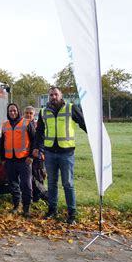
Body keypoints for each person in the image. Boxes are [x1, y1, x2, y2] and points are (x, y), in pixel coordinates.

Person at [33, 87, 86, 224]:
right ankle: (52, 210)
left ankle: (72, 213)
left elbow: (83, 123)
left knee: (68, 183)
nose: (53, 97)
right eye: (51, 95)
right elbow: (39, 132)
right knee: (51, 183)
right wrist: (37, 148)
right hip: (50, 153)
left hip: (66, 153)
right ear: (48, 97)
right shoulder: (44, 112)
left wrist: (95, 137)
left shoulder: (70, 108)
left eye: (56, 94)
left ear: (61, 95)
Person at [0, 103, 35, 218]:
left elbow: (34, 140)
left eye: (14, 110)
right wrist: (3, 158)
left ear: (18, 111)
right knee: (13, 184)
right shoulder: (5, 125)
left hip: (24, 160)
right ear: (8, 112)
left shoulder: (26, 123)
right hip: (10, 160)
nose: (12, 113)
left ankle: (26, 208)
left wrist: (31, 156)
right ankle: (16, 205)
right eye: (10, 111)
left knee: (26, 184)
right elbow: (2, 143)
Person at [24, 106, 48, 203]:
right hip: (26, 156)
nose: (28, 115)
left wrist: (39, 153)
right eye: (27, 113)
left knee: (38, 177)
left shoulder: (38, 126)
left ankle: (42, 197)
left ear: (34, 115)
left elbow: (40, 140)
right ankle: (32, 198)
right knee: (29, 179)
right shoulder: (21, 125)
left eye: (31, 113)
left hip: (37, 156)